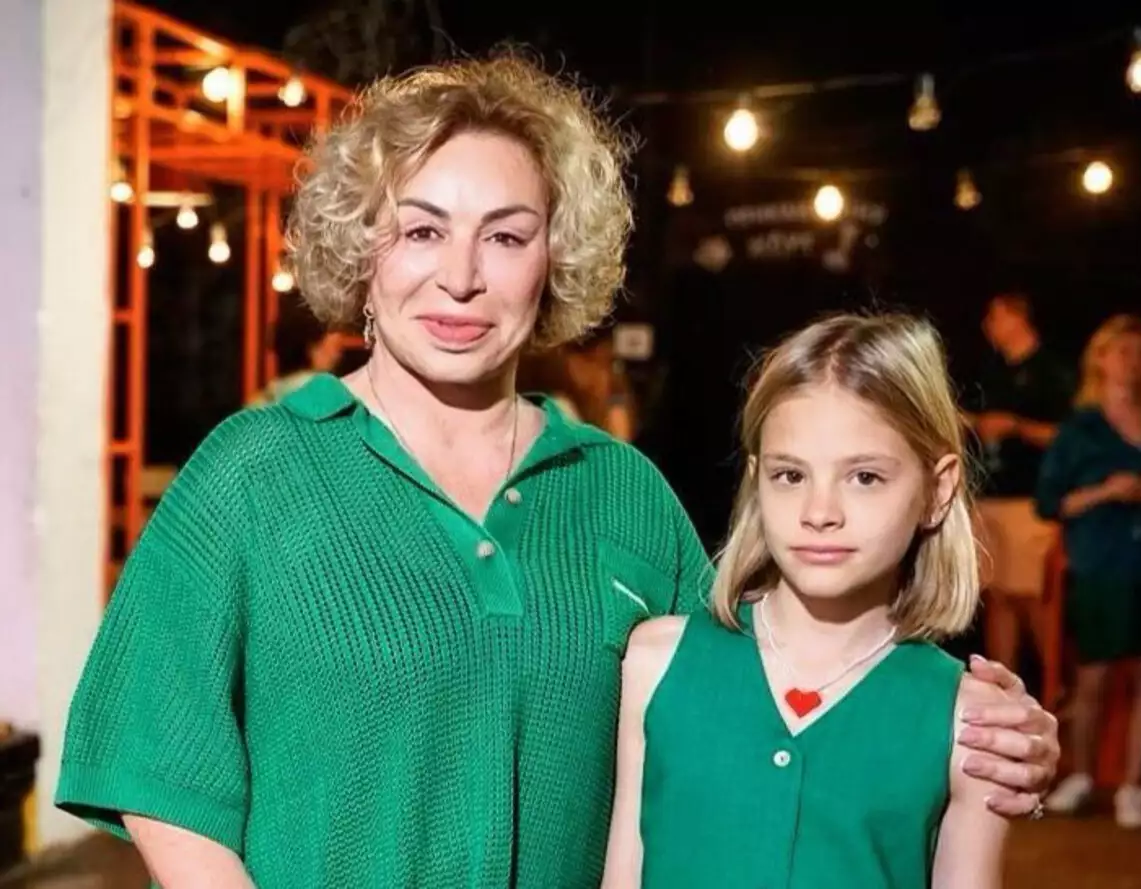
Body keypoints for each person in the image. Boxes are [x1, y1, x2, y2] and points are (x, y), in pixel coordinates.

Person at [54, 55, 1059, 889]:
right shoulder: (254, 470)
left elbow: (780, 689)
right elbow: (158, 768)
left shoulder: (621, 492)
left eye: (506, 235)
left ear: (554, 259)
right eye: (421, 229)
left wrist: (989, 736)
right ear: (363, 248)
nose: (460, 276)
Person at [602, 313, 1010, 889]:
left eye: (864, 477)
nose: (820, 513)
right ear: (757, 479)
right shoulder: (656, 663)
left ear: (937, 490)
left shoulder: (969, 720)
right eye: (791, 476)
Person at [1037, 315, 1141, 828]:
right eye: (1123, 351)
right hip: (1101, 563)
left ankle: (1133, 784)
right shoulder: (1079, 429)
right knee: (1094, 678)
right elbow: (1050, 502)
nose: (1133, 363)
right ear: (1100, 359)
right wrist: (1107, 491)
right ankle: (1083, 775)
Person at [969, 291, 1075, 673]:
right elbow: (979, 418)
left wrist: (1018, 427)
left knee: (1033, 597)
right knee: (998, 596)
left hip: (1030, 499)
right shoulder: (992, 371)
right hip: (990, 494)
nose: (988, 327)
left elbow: (1068, 435)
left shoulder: (1051, 372)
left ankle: (1056, 682)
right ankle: (1000, 681)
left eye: (995, 317)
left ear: (1018, 318)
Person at [249, 309, 345, 405]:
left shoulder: (260, 400)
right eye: (336, 347)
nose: (339, 355)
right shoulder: (328, 397)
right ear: (313, 348)